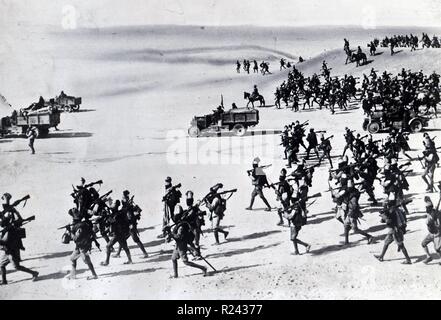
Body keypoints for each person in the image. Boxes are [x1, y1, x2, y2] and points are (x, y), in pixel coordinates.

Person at [0, 193, 38, 285]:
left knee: (16, 267)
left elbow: (6, 241)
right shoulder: (8, 217)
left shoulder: (10, 229)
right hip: (8, 249)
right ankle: (4, 281)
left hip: (11, 250)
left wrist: (13, 223)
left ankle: (34, 273)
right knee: (1, 265)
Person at [165, 210, 207, 278]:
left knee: (186, 262)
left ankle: (203, 268)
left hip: (182, 246)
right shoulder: (179, 225)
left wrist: (171, 234)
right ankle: (175, 275)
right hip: (178, 245)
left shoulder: (181, 227)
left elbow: (179, 237)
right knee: (173, 258)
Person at [375, 194, 411, 264]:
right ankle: (381, 256)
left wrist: (384, 217)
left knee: (401, 245)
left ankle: (408, 259)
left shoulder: (392, 212)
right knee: (386, 242)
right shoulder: (397, 210)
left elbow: (389, 222)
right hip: (393, 230)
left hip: (395, 230)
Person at [113, 190, 148, 259]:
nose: (122, 199)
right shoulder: (126, 206)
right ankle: (118, 253)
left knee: (135, 239)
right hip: (127, 226)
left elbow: (134, 214)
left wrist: (132, 223)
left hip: (130, 226)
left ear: (126, 198)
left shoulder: (129, 206)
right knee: (122, 238)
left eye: (123, 198)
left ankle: (145, 253)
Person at [67, 212, 98, 280]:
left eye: (73, 219)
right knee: (72, 258)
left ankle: (94, 275)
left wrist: (70, 231)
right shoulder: (85, 224)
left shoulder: (78, 227)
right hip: (81, 246)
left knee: (87, 261)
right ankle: (73, 275)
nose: (72, 220)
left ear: (75, 220)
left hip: (83, 246)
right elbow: (93, 234)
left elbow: (75, 238)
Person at [101, 200, 132, 266]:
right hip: (121, 233)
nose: (112, 205)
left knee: (108, 246)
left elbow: (113, 221)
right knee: (125, 247)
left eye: (113, 204)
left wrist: (106, 216)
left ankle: (107, 261)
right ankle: (130, 260)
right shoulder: (118, 213)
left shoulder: (116, 214)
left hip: (117, 234)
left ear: (116, 205)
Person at [421, 196, 441, 264]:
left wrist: (433, 224)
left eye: (427, 208)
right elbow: (428, 201)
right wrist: (427, 199)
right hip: (431, 233)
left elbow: (439, 225)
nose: (426, 209)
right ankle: (429, 257)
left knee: (437, 249)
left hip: (437, 234)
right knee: (423, 244)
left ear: (430, 207)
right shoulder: (429, 212)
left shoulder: (436, 214)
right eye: (426, 207)